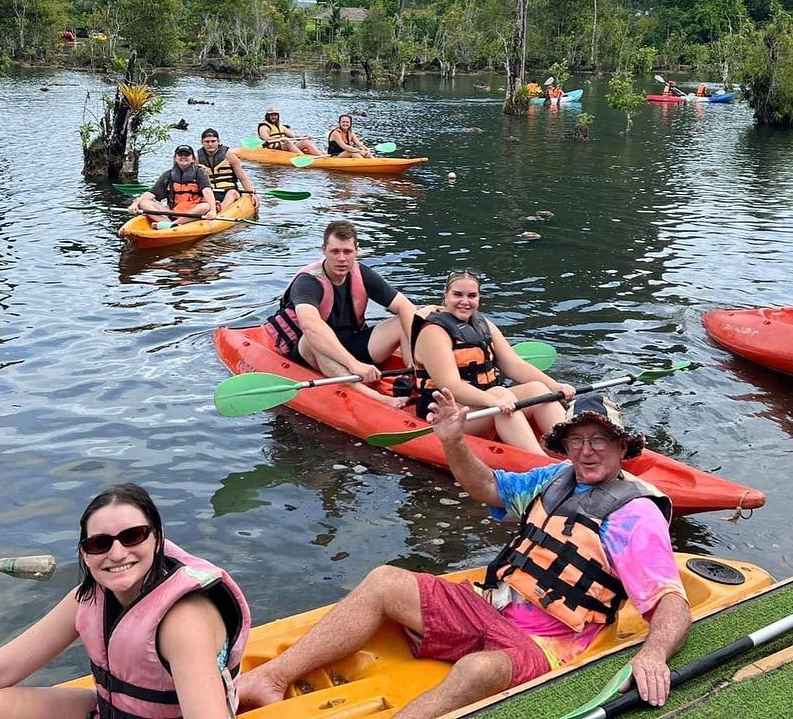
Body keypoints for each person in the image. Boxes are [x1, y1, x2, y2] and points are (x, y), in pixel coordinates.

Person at [236, 392, 690, 718]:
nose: (587, 451)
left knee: (478, 669)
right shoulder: (556, 478)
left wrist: (652, 656)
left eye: (600, 441)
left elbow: (671, 601)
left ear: (622, 448)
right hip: (491, 605)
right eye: (578, 440)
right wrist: (453, 441)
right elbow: (489, 487)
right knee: (383, 581)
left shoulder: (636, 515)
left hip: (549, 643)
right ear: (566, 445)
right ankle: (269, 678)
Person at [0, 483, 249, 719]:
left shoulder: (183, 622)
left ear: (157, 538)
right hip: (110, 711)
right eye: (100, 544)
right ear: (85, 554)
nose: (117, 553)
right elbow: (1, 669)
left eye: (132, 536)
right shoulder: (89, 597)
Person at [404, 270, 575, 453]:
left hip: (485, 403)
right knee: (501, 394)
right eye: (457, 294)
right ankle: (543, 464)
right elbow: (451, 385)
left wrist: (554, 385)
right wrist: (493, 401)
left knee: (538, 390)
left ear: (479, 298)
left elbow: (513, 364)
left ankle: (573, 450)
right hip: (447, 413)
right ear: (445, 295)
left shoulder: (484, 326)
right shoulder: (433, 333)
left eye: (472, 295)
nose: (465, 301)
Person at [265, 221, 416, 405]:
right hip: (310, 351)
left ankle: (415, 376)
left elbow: (406, 307)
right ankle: (379, 399)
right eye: (335, 252)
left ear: (356, 250)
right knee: (311, 338)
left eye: (347, 252)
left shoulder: (362, 274)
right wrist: (355, 365)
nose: (342, 259)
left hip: (350, 342)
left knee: (404, 320)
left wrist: (417, 355)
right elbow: (310, 326)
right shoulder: (308, 282)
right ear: (324, 250)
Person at [128, 145, 216, 228]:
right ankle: (169, 224)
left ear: (193, 159)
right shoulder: (168, 174)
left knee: (205, 206)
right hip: (173, 212)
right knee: (144, 203)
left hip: (194, 212)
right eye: (180, 155)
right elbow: (151, 193)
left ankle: (172, 225)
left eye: (187, 155)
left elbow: (207, 191)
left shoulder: (200, 173)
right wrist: (135, 203)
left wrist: (213, 211)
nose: (183, 157)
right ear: (175, 158)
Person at [198, 128, 256, 210]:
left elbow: (242, 178)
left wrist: (252, 193)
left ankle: (220, 209)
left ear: (218, 141)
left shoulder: (229, 155)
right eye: (207, 142)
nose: (210, 144)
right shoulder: (197, 158)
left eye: (213, 141)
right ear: (202, 142)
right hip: (210, 193)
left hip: (228, 191)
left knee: (232, 193)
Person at [257, 107, 322, 156]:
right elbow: (266, 139)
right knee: (288, 142)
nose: (274, 117)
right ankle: (304, 158)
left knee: (306, 142)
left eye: (275, 115)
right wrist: (280, 139)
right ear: (267, 116)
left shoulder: (281, 126)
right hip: (273, 147)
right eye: (272, 115)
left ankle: (322, 156)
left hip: (284, 145)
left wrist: (305, 136)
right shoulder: (264, 127)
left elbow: (294, 136)